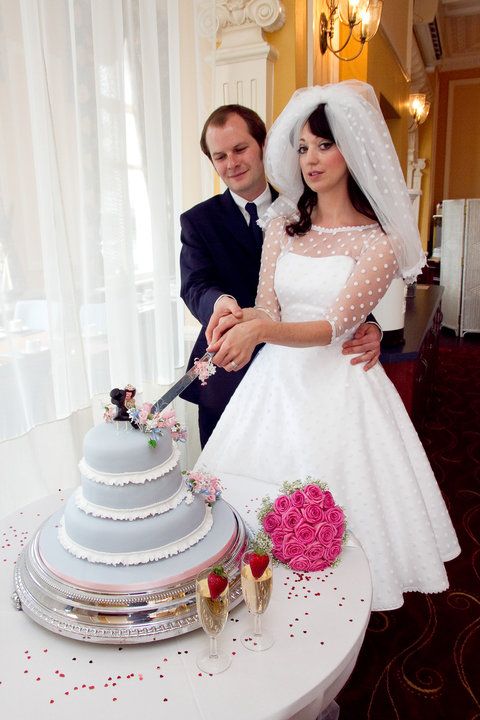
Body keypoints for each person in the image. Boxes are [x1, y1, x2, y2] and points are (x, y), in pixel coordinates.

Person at [196, 81, 460, 612]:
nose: (311, 159)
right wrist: (239, 319)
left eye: (324, 145)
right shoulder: (282, 226)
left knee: (343, 505)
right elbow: (269, 308)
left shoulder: (379, 241)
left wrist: (262, 331)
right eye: (302, 148)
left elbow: (335, 326)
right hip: (275, 384)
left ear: (352, 149)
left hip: (340, 384)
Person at [180, 103, 381, 447]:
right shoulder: (198, 220)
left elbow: (339, 276)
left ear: (263, 145)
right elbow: (195, 284)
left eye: (240, 149)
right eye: (220, 156)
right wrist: (220, 303)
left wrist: (370, 325)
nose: (232, 163)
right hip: (229, 365)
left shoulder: (310, 208)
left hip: (306, 372)